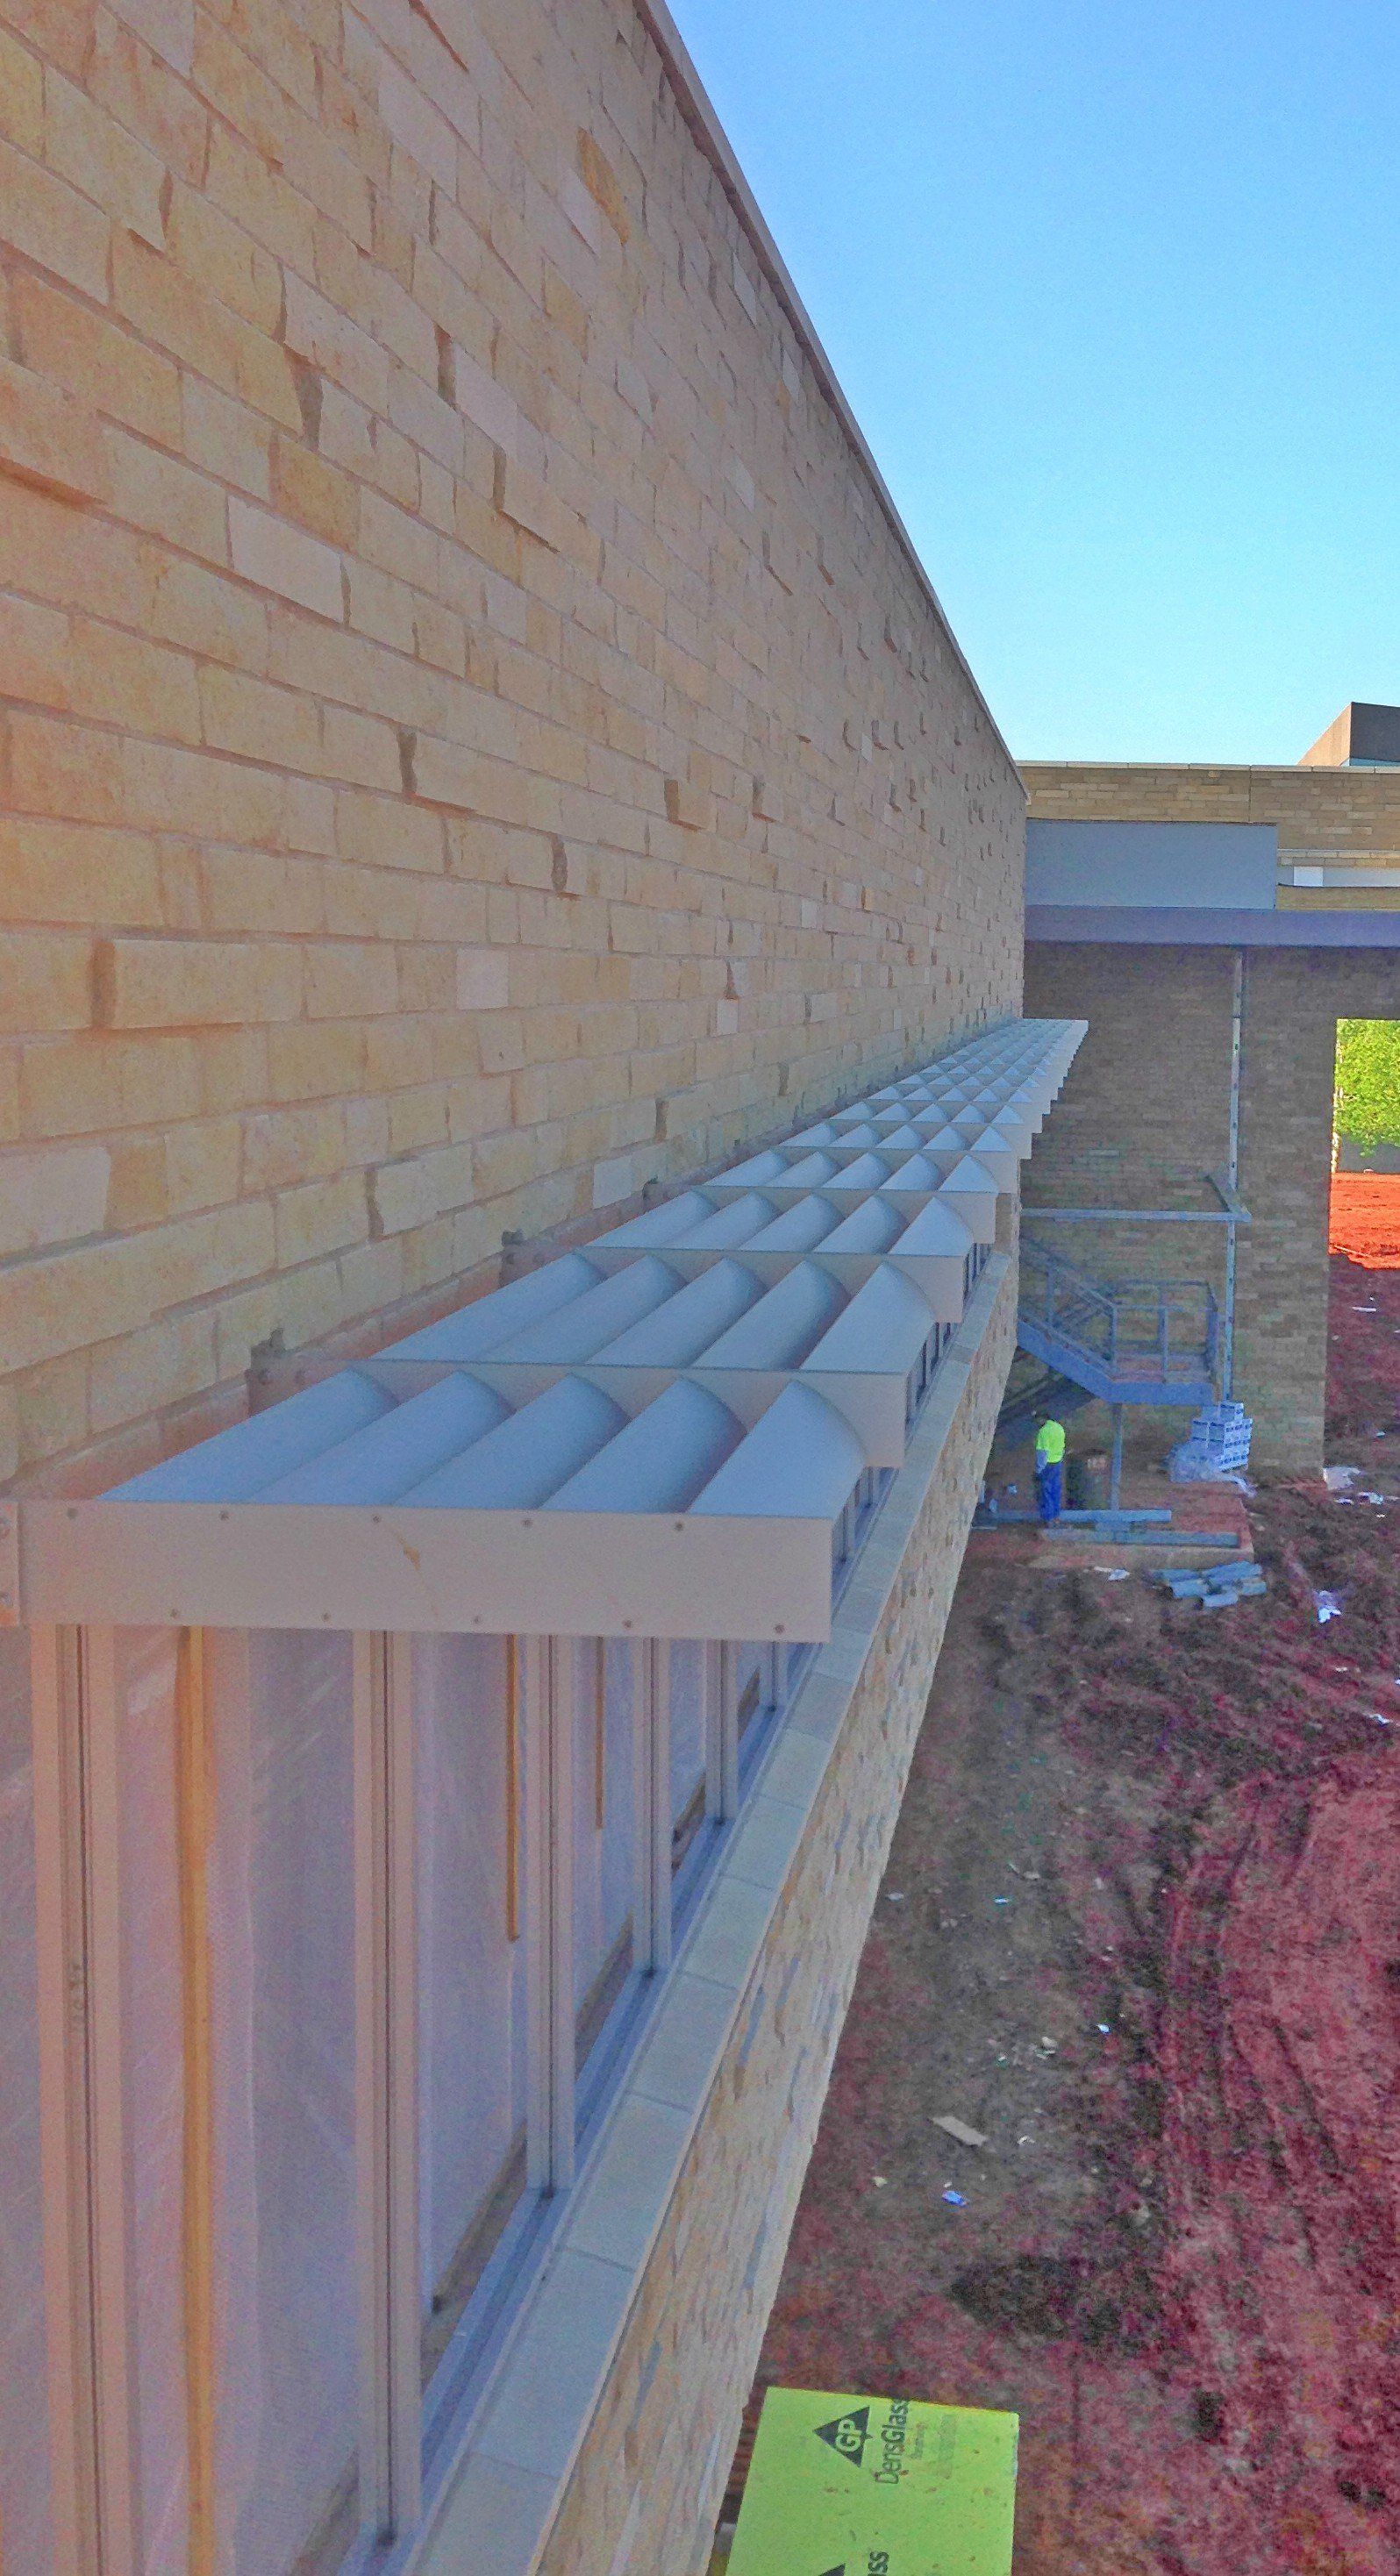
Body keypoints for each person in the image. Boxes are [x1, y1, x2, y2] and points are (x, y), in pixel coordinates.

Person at [1035, 1416, 1067, 1523]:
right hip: (1057, 1463)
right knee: (1055, 1490)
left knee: (1046, 1491)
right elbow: (1062, 1447)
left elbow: (1042, 1452)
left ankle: (1048, 1518)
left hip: (1047, 1465)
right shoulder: (1059, 1428)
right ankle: (1056, 1517)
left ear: (1042, 1419)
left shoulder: (1043, 1431)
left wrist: (1039, 1469)